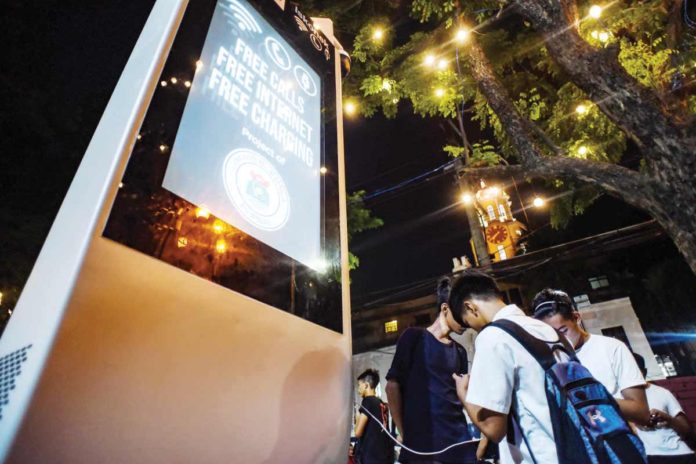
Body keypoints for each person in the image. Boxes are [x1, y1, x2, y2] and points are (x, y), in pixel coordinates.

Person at [448, 269, 563, 463]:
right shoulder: (544, 328)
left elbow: (494, 429)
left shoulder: (493, 336)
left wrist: (464, 393)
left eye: (469, 323)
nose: (474, 329)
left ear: (471, 307)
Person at [385, 277, 477, 463]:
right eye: (460, 312)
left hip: (460, 445)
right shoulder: (413, 337)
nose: (466, 320)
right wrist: (406, 434)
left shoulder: (459, 351)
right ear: (445, 309)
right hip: (422, 448)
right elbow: (392, 387)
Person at [531, 288, 650, 425]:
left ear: (577, 318)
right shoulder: (549, 360)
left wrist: (588, 397)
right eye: (550, 334)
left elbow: (641, 412)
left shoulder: (612, 348)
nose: (560, 339)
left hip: (616, 438)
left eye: (563, 331)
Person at [633, 353, 696, 464]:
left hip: (681, 453)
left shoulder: (662, 392)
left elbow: (687, 430)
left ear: (643, 372)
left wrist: (667, 418)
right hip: (649, 456)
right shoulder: (618, 397)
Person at [354, 369, 395, 464]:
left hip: (371, 456)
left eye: (359, 385)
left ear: (366, 385)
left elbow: (357, 433)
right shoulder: (382, 404)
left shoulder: (367, 401)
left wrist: (357, 414)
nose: (358, 389)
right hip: (385, 456)